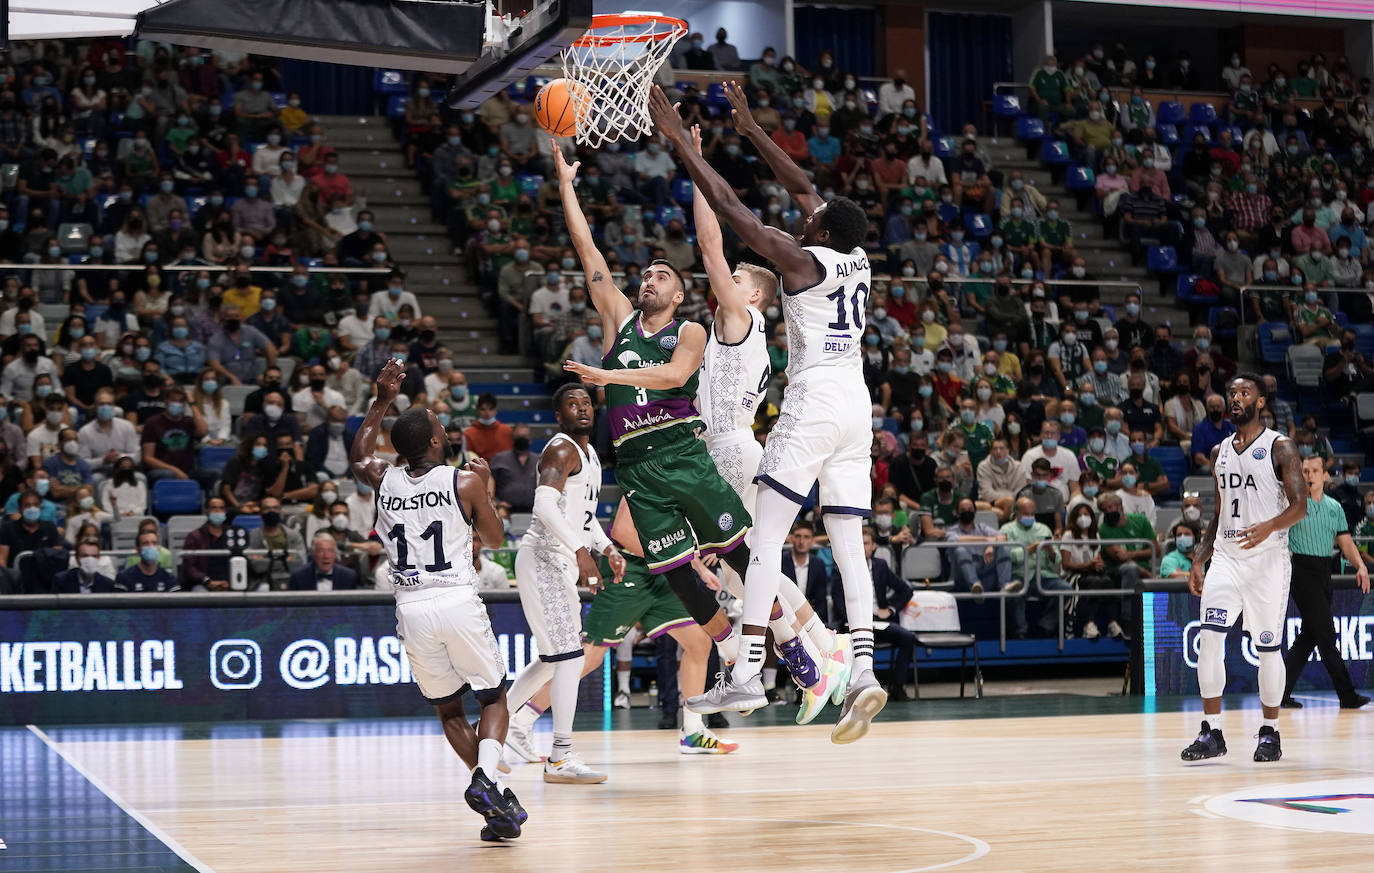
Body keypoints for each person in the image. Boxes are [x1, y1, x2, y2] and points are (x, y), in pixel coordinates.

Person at [554, 115, 807, 730]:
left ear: (679, 293)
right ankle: (731, 654)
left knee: (744, 553)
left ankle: (802, 648)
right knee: (682, 577)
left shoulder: (692, 331)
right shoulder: (617, 322)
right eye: (645, 273)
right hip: (638, 468)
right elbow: (588, 253)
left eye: (661, 275)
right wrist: (565, 185)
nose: (648, 277)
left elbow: (670, 380)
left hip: (690, 452)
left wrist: (608, 380)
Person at [652, 83, 883, 742]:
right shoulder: (854, 253)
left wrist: (680, 144)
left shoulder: (802, 261)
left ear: (820, 233)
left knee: (767, 539)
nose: (800, 216)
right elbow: (806, 185)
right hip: (856, 404)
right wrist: (751, 129)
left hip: (812, 400)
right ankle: (862, 667)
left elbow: (734, 212)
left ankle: (751, 667)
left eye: (808, 218)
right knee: (848, 544)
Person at [681, 123, 847, 723]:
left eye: (739, 279)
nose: (727, 281)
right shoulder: (739, 329)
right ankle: (814, 659)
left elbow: (709, 247)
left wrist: (698, 168)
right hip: (725, 450)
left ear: (752, 297)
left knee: (750, 564)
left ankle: (820, 656)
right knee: (746, 566)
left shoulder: (739, 320)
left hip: (730, 451)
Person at [351, 359, 526, 840]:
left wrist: (381, 400)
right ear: (434, 442)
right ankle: (487, 781)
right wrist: (486, 488)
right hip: (455, 598)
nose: (446, 431)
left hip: (410, 608)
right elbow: (492, 540)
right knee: (494, 698)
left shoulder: (383, 479)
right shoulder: (463, 481)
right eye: (440, 428)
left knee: (449, 710)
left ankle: (495, 807)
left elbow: (358, 455)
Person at [1181, 374, 1307, 764]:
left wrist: (1270, 525)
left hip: (1268, 561)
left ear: (1261, 402)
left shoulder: (1280, 447)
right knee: (1211, 639)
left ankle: (1270, 732)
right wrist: (1199, 559)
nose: (1235, 398)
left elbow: (1300, 506)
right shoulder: (1219, 450)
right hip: (1227, 557)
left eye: (1244, 393)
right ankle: (1212, 731)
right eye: (1232, 393)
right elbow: (1218, 513)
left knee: (1268, 648)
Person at [503, 385, 624, 783]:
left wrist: (605, 549)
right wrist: (580, 551)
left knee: (556, 657)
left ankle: (496, 728)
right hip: (543, 557)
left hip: (561, 559)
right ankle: (560, 756)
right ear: (559, 415)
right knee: (569, 657)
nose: (582, 408)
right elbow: (542, 506)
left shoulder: (590, 455)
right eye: (572, 404)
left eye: (586, 402)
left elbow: (584, 519)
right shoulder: (560, 450)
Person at [1279, 455, 1371, 710]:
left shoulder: (1334, 507)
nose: (1309, 476)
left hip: (1324, 572)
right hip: (1301, 570)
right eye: (1305, 471)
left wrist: (1361, 565)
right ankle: (1347, 695)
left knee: (1309, 636)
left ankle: (1279, 692)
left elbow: (1346, 542)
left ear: (1324, 475)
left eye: (1315, 471)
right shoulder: (1293, 504)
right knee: (1327, 634)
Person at [1002, 496, 1071, 638]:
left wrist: (1051, 551)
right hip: (1019, 574)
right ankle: (1020, 632)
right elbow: (1008, 556)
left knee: (1066, 589)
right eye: (1026, 514)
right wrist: (1029, 549)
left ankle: (1045, 626)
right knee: (1015, 592)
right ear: (1016, 512)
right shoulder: (1007, 530)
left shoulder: (1044, 529)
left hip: (1043, 575)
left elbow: (1057, 560)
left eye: (1032, 514)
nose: (1030, 517)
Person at [248, 495, 305, 590]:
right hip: (262, 583)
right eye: (267, 508)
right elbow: (256, 566)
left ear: (280, 511)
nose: (271, 511)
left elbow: (299, 563)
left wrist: (265, 561)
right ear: (260, 512)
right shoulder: (253, 536)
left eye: (275, 508)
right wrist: (285, 560)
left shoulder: (294, 536)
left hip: (290, 580)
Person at [0, 490, 63, 567]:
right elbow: (2, 559)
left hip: (44, 575)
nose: (32, 508)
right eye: (27, 505)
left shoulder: (50, 527)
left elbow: (57, 556)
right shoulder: (7, 528)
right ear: (20, 509)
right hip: (16, 575)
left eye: (36, 505)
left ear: (40, 508)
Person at [290, 533, 360, 590]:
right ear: (312, 554)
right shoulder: (298, 577)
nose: (326, 556)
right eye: (321, 551)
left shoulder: (348, 576)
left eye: (330, 551)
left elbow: (354, 606)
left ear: (335, 554)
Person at [114, 531, 180, 592]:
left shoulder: (170, 578)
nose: (151, 547)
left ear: (159, 549)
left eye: (154, 543)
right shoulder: (123, 577)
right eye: (145, 543)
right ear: (138, 550)